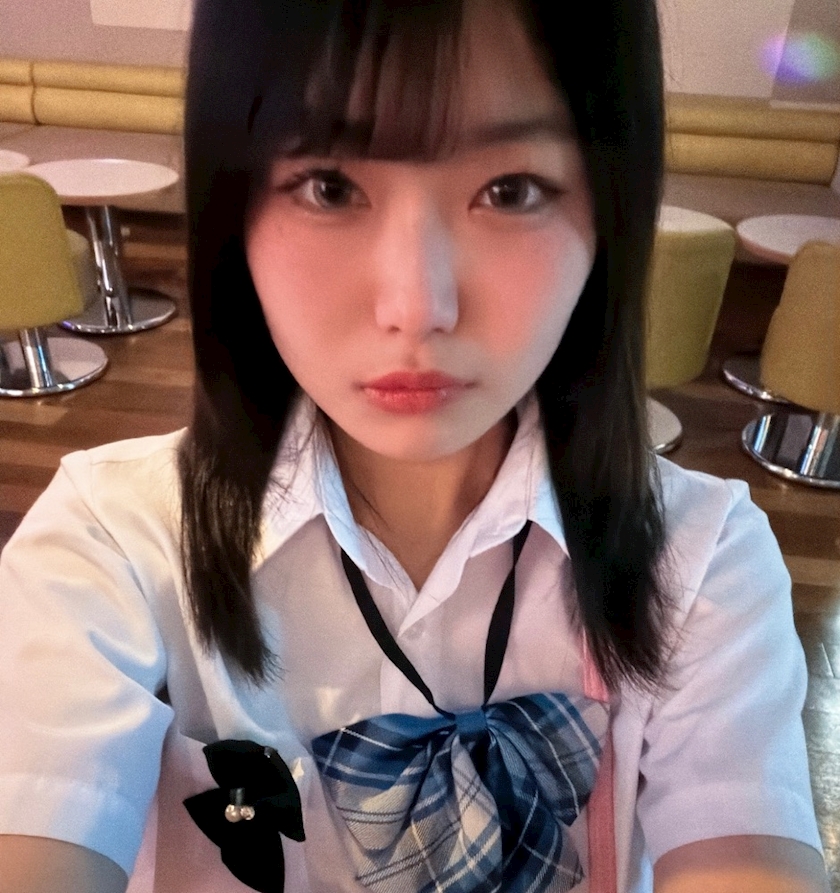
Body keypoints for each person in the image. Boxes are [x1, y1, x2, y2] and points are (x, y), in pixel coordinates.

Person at [0, 0, 830, 891]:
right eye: (329, 186)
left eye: (510, 190)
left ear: (608, 216)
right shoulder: (111, 544)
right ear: (233, 207)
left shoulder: (702, 562)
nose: (417, 305)